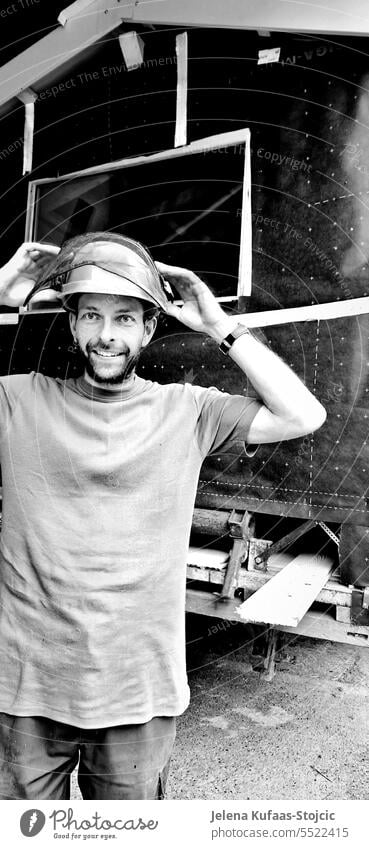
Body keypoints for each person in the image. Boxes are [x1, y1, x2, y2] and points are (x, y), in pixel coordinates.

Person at [0, 233, 326, 800]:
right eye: (93, 316)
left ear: (149, 330)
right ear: (72, 324)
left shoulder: (188, 410)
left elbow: (304, 414)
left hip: (139, 692)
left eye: (126, 318)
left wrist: (218, 324)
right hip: (26, 688)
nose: (107, 334)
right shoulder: (18, 400)